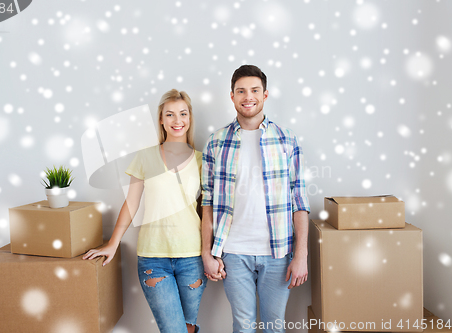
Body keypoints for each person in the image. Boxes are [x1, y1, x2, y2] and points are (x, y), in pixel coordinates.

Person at [83, 89, 207, 333]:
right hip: (153, 259)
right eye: (170, 114)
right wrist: (112, 243)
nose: (177, 120)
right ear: (161, 119)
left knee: (188, 328)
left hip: (193, 258)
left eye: (183, 114)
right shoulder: (145, 157)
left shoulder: (202, 160)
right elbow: (131, 203)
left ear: (190, 118)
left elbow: (209, 210)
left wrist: (213, 252)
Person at [201, 65, 310, 333]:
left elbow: (300, 200)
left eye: (254, 90)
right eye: (241, 91)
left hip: (278, 253)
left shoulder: (287, 139)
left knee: (275, 327)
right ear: (232, 96)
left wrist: (301, 254)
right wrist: (207, 252)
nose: (247, 96)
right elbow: (207, 203)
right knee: (244, 326)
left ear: (265, 94)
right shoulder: (216, 142)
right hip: (234, 252)